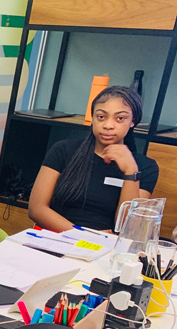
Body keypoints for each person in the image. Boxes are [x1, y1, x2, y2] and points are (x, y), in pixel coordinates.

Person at [28, 86, 158, 232]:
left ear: (132, 121)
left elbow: (128, 228)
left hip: (107, 244)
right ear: (93, 118)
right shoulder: (63, 150)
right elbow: (36, 209)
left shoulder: (146, 167)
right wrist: (85, 235)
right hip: (57, 236)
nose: (108, 125)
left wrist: (130, 172)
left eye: (120, 118)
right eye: (101, 117)